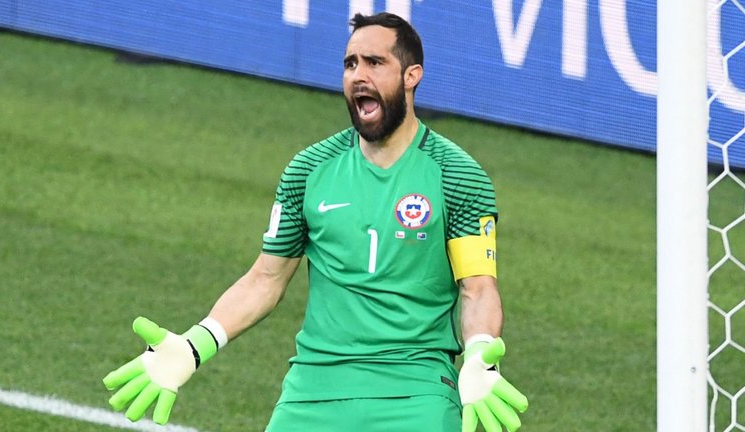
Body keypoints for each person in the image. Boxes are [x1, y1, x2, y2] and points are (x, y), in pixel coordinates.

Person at [102, 12, 528, 432]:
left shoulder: (457, 176)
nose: (358, 75)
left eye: (375, 62)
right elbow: (265, 279)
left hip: (416, 393)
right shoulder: (309, 170)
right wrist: (195, 346)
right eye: (350, 64)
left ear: (411, 75)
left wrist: (479, 354)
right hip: (313, 391)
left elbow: (478, 288)